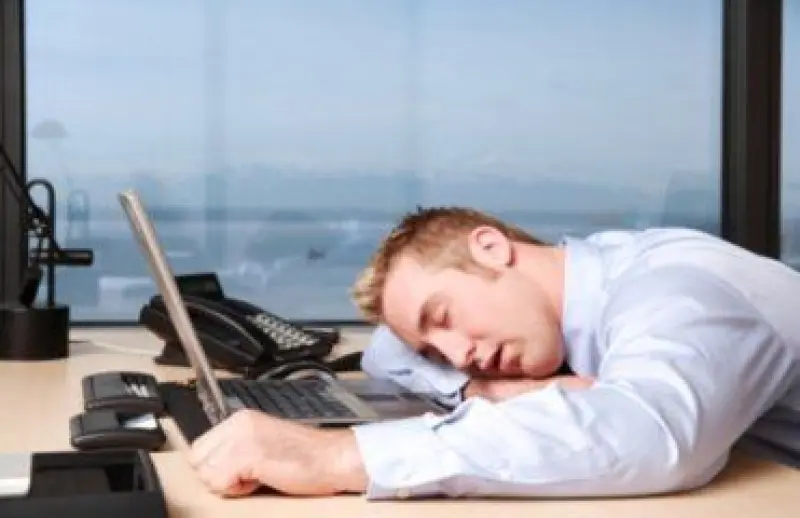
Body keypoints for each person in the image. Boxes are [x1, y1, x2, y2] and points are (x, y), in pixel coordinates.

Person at [187, 206, 800, 500]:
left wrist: (340, 455)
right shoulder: (575, 281)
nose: (460, 354)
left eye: (443, 317)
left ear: (490, 247)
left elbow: (652, 439)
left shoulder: (675, 290)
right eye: (435, 349)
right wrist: (482, 390)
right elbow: (384, 353)